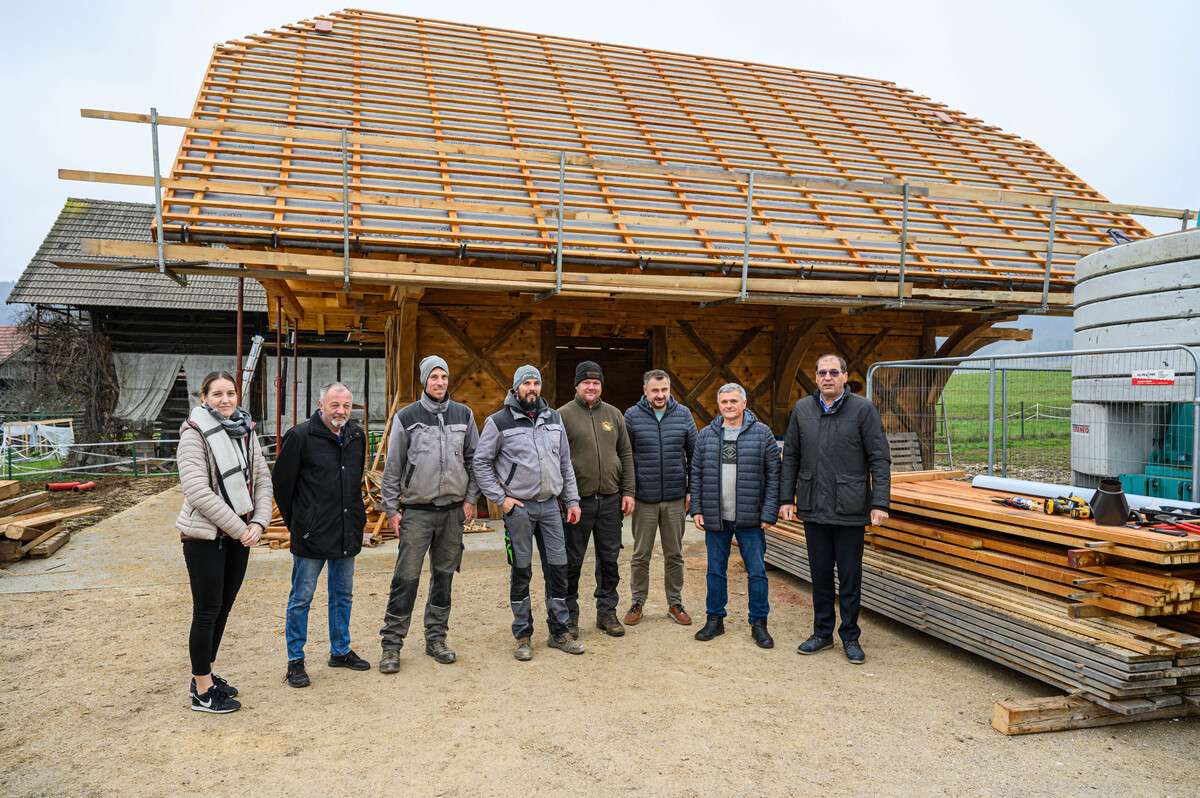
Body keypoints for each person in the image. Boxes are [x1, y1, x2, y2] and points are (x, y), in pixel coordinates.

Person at [780, 354, 891, 664]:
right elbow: (791, 457)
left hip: (850, 507)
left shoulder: (863, 410)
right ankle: (822, 633)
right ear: (816, 378)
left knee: (850, 576)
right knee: (820, 575)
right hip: (814, 504)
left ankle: (850, 636)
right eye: (821, 373)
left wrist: (880, 502)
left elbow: (879, 458)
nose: (827, 377)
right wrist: (786, 499)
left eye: (833, 372)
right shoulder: (803, 409)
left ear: (844, 376)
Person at [176, 371, 273, 714]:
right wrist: (239, 528)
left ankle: (206, 675)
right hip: (204, 536)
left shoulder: (246, 431)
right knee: (206, 612)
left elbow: (262, 479)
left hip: (238, 535)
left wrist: (259, 522)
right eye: (217, 394)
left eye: (230, 393)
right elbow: (197, 491)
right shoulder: (194, 433)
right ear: (204, 398)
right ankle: (202, 694)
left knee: (223, 607)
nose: (225, 399)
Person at [473, 365, 585, 660]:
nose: (532, 388)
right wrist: (501, 499)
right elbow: (480, 463)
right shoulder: (498, 422)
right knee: (521, 570)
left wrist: (572, 500)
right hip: (519, 509)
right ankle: (523, 635)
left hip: (551, 507)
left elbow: (565, 463)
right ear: (516, 388)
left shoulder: (554, 419)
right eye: (527, 384)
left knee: (558, 569)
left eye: (536, 383)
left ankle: (559, 631)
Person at [378, 356, 479, 671]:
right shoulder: (407, 417)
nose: (440, 382)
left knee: (443, 578)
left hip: (453, 513)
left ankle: (436, 639)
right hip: (417, 513)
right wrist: (391, 509)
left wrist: (471, 500)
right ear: (424, 381)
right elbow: (393, 466)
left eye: (444, 377)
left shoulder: (464, 414)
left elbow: (475, 460)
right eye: (434, 377)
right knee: (406, 578)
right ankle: (391, 645)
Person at [273, 382, 369, 687]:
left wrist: (356, 521)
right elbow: (282, 486)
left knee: (343, 595)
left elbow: (354, 481)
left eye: (346, 406)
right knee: (301, 598)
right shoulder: (300, 436)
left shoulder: (356, 436)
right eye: (335, 405)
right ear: (321, 405)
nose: (341, 411)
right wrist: (301, 523)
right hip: (311, 535)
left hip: (346, 531)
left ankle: (340, 650)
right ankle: (295, 660)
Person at [688, 383, 780, 648]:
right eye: (724, 402)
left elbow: (774, 475)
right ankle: (715, 620)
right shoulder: (706, 435)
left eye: (734, 401)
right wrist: (697, 509)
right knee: (715, 571)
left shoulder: (762, 433)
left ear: (744, 403)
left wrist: (769, 512)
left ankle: (759, 624)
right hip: (717, 518)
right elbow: (696, 475)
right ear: (718, 405)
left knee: (757, 572)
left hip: (751, 518)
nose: (729, 406)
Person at [557, 361, 636, 639]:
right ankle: (569, 616)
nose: (591, 387)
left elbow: (625, 454)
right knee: (572, 562)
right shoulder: (562, 416)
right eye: (586, 382)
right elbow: (556, 459)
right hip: (577, 503)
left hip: (611, 501)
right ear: (576, 385)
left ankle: (607, 612)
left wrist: (629, 491)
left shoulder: (613, 414)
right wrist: (563, 497)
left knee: (609, 560)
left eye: (596, 383)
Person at [623, 369, 697, 626]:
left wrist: (691, 490)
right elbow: (625, 457)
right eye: (655, 390)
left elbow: (694, 455)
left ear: (669, 389)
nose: (660, 395)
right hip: (644, 498)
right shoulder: (632, 416)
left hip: (675, 498)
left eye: (664, 389)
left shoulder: (683, 414)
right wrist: (628, 492)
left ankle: (674, 602)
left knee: (674, 554)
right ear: (645, 390)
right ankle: (637, 601)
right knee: (640, 554)